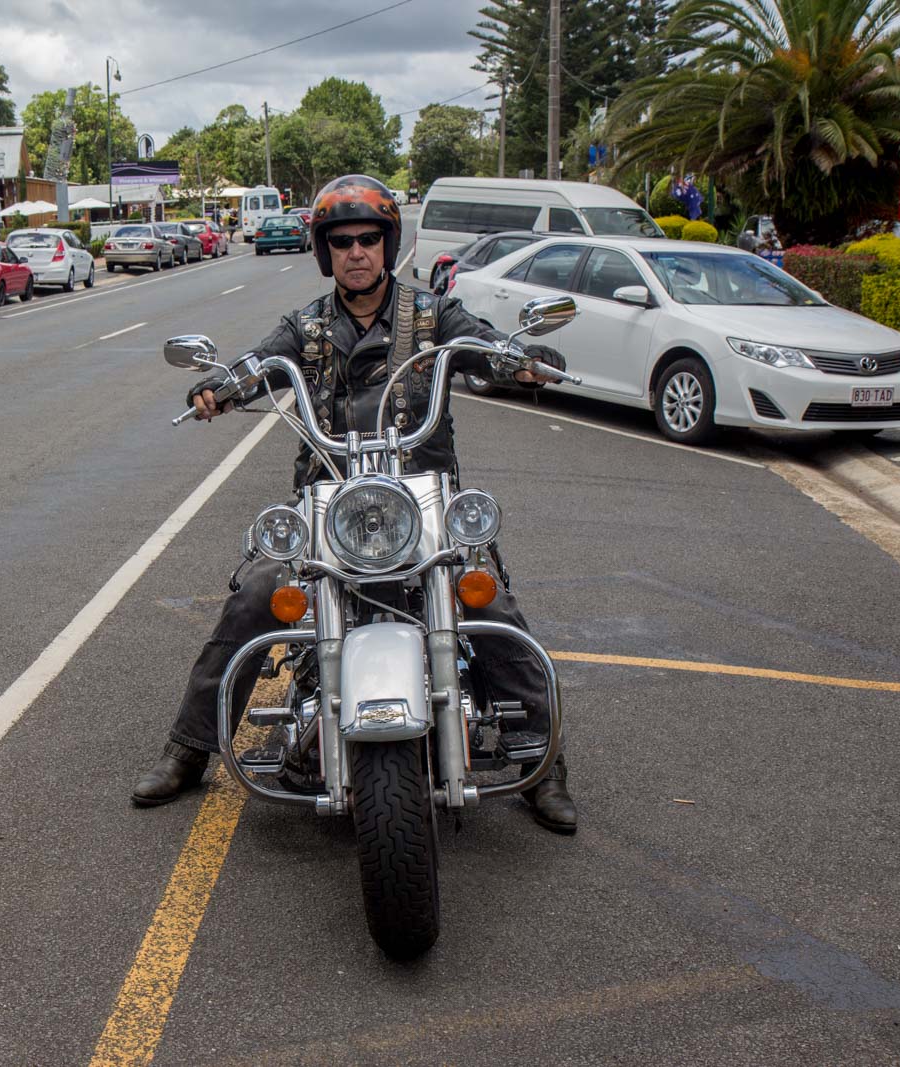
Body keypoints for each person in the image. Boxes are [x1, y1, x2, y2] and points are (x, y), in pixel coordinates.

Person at [132, 174, 578, 834]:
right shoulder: (307, 325)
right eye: (341, 241)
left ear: (387, 242)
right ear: (326, 251)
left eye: (369, 238)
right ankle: (190, 746)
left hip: (420, 500)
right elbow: (262, 359)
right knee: (259, 593)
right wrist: (224, 384)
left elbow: (481, 346)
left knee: (484, 601)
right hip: (329, 498)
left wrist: (517, 358)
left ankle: (543, 761)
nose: (357, 251)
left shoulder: (431, 315)